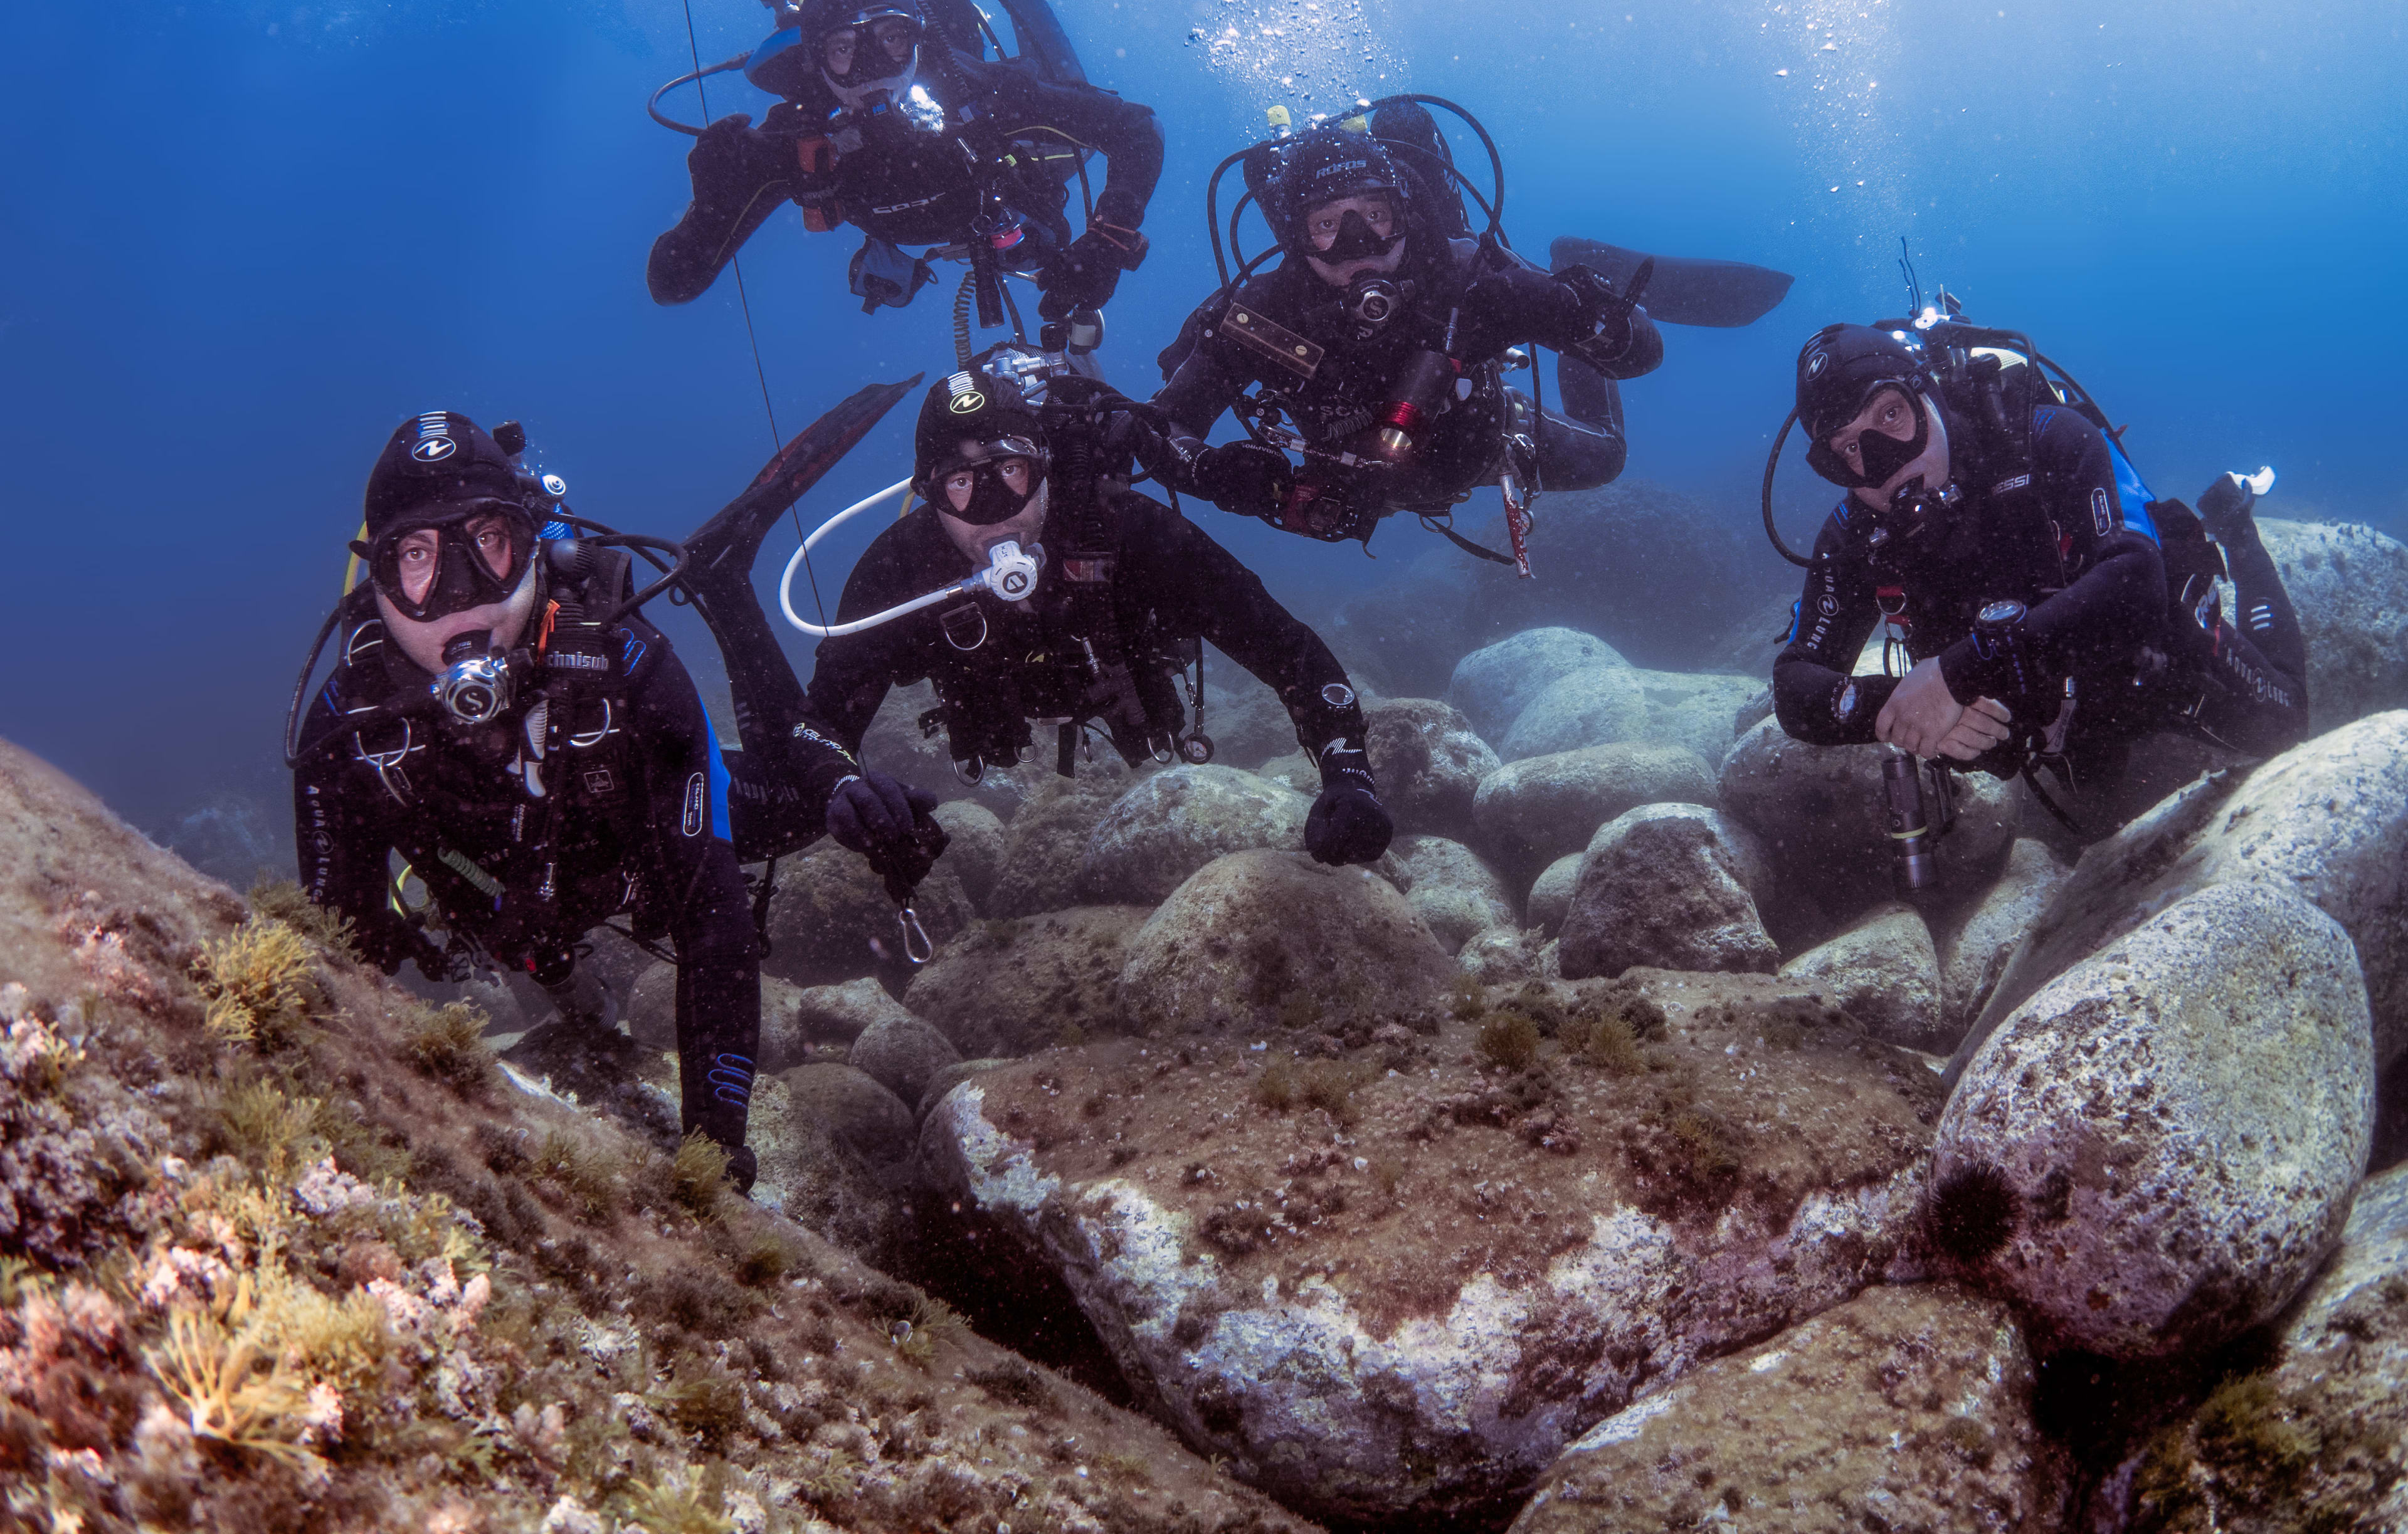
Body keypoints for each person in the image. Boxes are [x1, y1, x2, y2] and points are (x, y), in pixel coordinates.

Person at [669, 366, 1396, 915]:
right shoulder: (903, 568)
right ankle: (724, 591)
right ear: (929, 496)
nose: (992, 512)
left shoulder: (1128, 531)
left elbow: (1287, 648)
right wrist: (846, 786)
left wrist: (1348, 774)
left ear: (1044, 471)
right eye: (961, 487)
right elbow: (818, 726)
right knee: (783, 815)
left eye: (1010, 474)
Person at [290, 412, 768, 1189]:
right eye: (415, 556)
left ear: (534, 545)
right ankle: (570, 990)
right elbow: (342, 955)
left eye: (488, 541)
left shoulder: (630, 667)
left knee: (782, 807)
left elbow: (716, 930)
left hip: (628, 864)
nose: (458, 595)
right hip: (497, 908)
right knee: (536, 960)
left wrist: (715, 1160)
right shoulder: (346, 734)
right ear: (375, 582)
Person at [647, 0, 1163, 332]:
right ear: (815, 59)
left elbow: (1135, 128)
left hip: (1006, 170)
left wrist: (1109, 238)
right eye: (845, 48)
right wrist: (707, 207)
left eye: (892, 41)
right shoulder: (797, 143)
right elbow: (673, 285)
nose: (875, 70)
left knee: (1064, 113)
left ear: (918, 39)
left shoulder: (977, 93)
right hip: (952, 214)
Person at [1771, 317, 2308, 823]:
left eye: (1891, 416)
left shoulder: (2046, 439)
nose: (1884, 463)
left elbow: (2138, 581)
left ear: (1926, 393)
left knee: (2289, 729)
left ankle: (2236, 525)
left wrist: (1955, 676)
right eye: (1849, 449)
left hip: (2152, 657)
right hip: (2054, 719)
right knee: (2099, 803)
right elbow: (1795, 687)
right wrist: (1898, 705)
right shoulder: (1857, 533)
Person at [1148, 111, 1661, 553]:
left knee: (1608, 458)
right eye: (1327, 225)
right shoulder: (1263, 317)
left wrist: (1575, 311)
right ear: (1295, 236)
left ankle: (1580, 267)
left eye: (1374, 215)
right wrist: (1213, 472)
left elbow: (1641, 356)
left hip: (1490, 441)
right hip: (1363, 488)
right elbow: (1157, 427)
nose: (1357, 243)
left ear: (1403, 214)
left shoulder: (1465, 269)